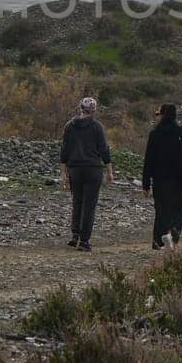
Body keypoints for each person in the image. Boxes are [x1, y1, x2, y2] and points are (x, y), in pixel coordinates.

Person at [60, 96, 113, 252]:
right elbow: (104, 149)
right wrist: (109, 170)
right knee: (89, 205)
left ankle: (75, 234)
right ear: (94, 110)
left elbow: (65, 150)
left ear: (80, 108)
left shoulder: (69, 126)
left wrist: (63, 172)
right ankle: (84, 240)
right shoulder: (97, 127)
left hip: (75, 169)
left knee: (77, 201)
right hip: (93, 169)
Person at [142, 103, 182, 250]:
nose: (156, 116)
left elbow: (149, 160)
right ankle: (173, 234)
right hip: (181, 179)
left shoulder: (155, 134)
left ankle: (158, 240)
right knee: (180, 209)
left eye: (157, 114)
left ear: (163, 115)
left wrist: (145, 184)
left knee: (161, 209)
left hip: (161, 179)